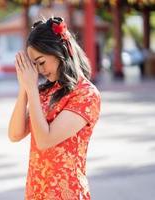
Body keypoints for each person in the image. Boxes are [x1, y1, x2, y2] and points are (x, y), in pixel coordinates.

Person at [8, 17, 101, 200]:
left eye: (41, 62)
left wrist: (32, 91)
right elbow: (15, 134)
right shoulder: (46, 91)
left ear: (59, 52)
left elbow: (45, 140)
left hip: (67, 193)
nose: (39, 71)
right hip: (36, 191)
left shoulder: (86, 94)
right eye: (34, 65)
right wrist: (24, 89)